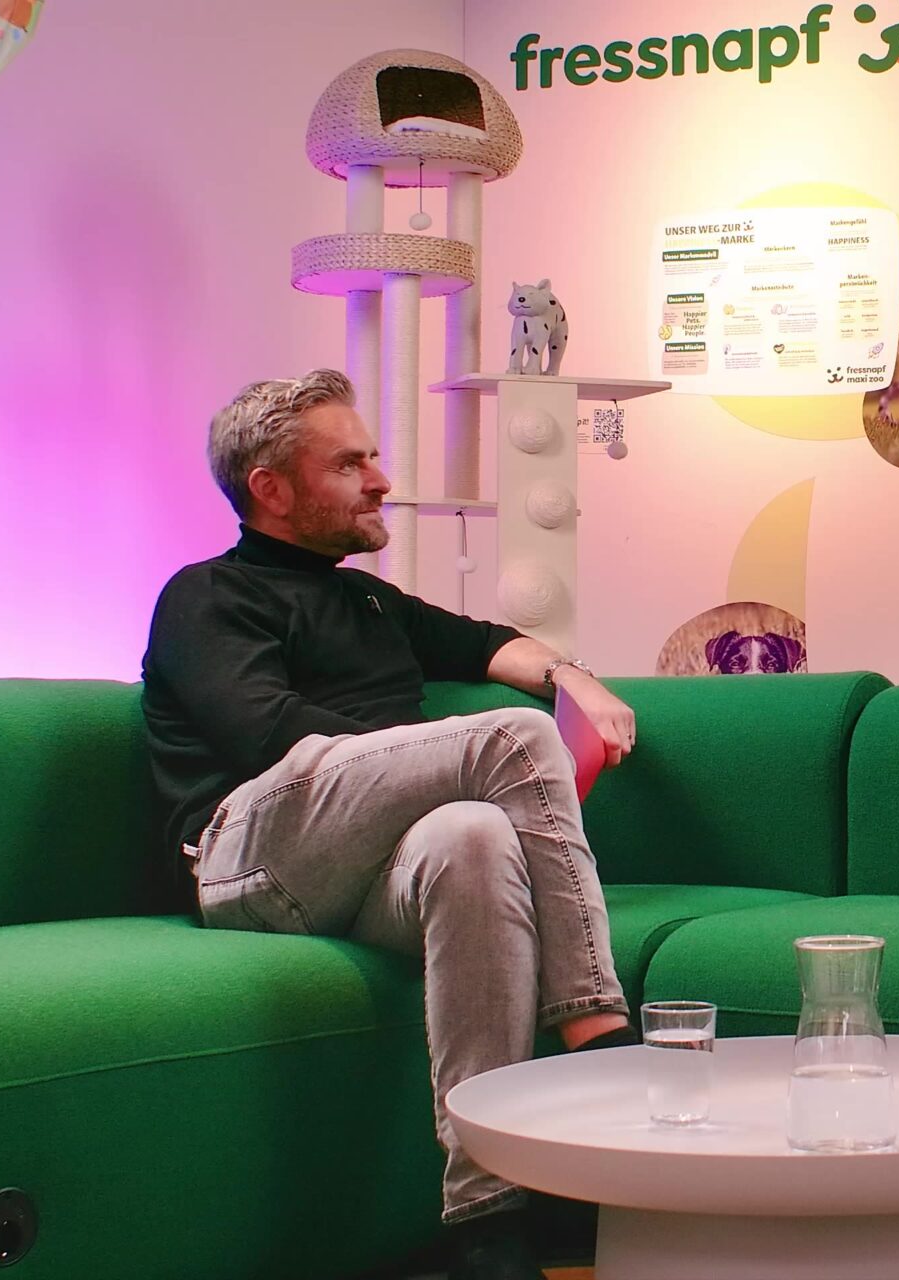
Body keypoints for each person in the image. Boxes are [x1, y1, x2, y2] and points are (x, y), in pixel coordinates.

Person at [142, 370, 635, 1280]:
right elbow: (269, 738)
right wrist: (446, 756)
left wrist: (573, 677)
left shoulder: (369, 600)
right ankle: (603, 1041)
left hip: (365, 869)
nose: (381, 479)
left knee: (472, 839)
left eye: (372, 456)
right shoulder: (205, 596)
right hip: (247, 857)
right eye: (350, 464)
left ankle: (486, 1221)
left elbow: (488, 643)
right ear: (270, 489)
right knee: (514, 740)